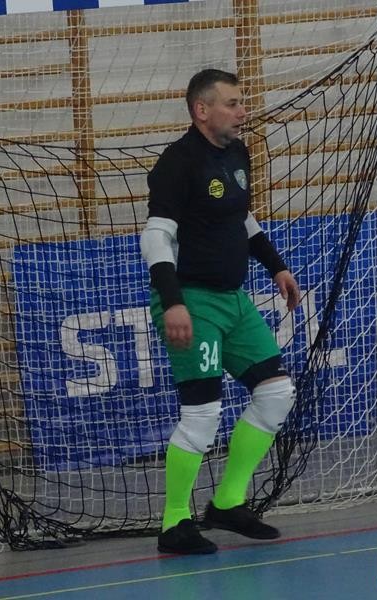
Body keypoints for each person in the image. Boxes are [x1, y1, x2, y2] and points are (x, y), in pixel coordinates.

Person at [140, 68, 301, 555]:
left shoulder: (236, 153)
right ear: (201, 110)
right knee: (202, 413)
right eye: (232, 103)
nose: (242, 111)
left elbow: (241, 216)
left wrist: (276, 265)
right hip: (194, 301)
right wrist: (173, 301)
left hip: (234, 299)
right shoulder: (177, 162)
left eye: (241, 102)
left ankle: (228, 502)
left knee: (275, 393)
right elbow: (156, 236)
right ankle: (174, 524)